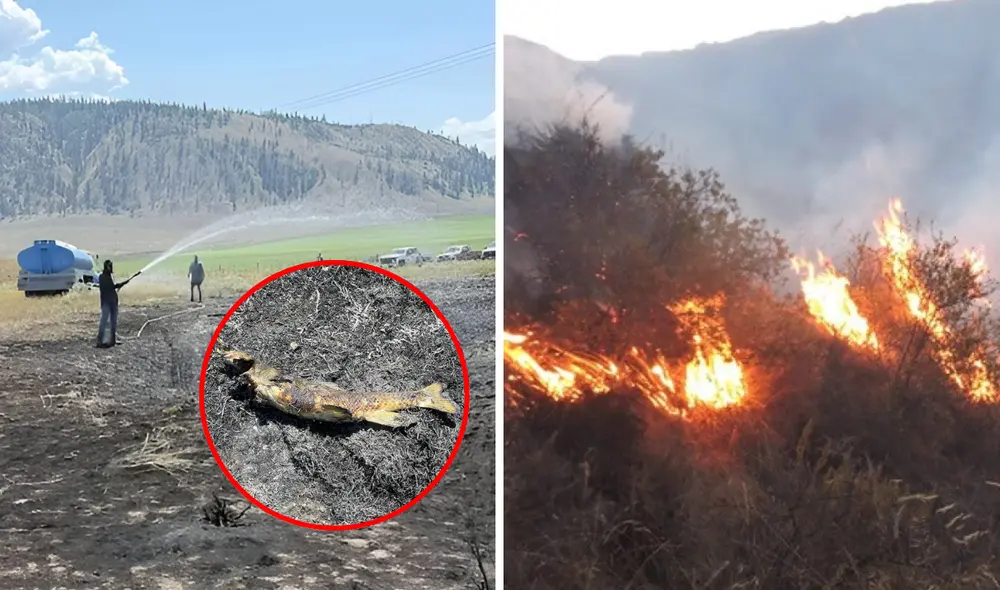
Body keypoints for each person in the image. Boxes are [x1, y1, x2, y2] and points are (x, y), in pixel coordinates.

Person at [96, 259, 132, 348]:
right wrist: (121, 284)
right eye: (109, 266)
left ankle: (112, 341)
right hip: (106, 302)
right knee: (104, 321)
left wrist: (122, 284)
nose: (110, 268)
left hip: (113, 302)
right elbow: (110, 287)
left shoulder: (108, 277)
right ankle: (100, 341)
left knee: (113, 322)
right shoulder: (102, 277)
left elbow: (112, 287)